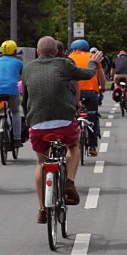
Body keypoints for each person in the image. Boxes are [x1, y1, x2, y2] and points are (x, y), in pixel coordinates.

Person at [21, 36, 103, 223]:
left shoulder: (28, 68)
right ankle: (70, 182)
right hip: (64, 122)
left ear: (37, 51)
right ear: (56, 51)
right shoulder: (63, 64)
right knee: (73, 146)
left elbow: (24, 99)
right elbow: (86, 75)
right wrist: (93, 63)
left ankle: (42, 208)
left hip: (38, 123)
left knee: (41, 161)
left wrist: (29, 119)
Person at [69, 39, 106, 156]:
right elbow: (102, 77)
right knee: (93, 117)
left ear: (74, 49)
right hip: (91, 91)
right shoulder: (93, 57)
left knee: (72, 117)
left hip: (75, 92)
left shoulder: (70, 58)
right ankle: (92, 146)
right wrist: (103, 88)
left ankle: (70, 143)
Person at [0, 39, 24, 148]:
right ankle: (17, 139)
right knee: (15, 112)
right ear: (15, 51)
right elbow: (24, 78)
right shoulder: (19, 63)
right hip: (12, 90)